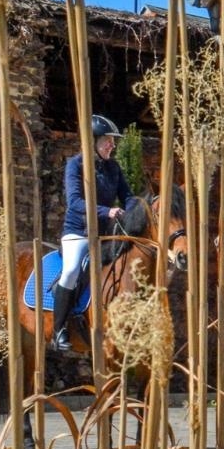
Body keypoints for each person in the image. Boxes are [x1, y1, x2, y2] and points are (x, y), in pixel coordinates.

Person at [51, 114, 133, 353]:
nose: (112, 145)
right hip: (78, 233)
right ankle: (59, 331)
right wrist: (107, 211)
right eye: (107, 140)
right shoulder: (75, 165)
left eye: (113, 141)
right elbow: (75, 202)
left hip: (105, 236)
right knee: (72, 270)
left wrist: (140, 209)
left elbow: (127, 197)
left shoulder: (113, 168)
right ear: (93, 141)